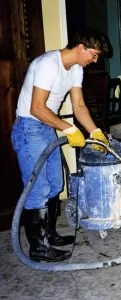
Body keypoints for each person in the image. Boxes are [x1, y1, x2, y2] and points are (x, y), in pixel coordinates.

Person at [11, 28, 111, 262]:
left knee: (55, 183)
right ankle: (39, 247)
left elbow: (79, 107)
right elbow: (37, 108)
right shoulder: (48, 64)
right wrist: (69, 128)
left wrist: (95, 132)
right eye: (94, 54)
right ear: (80, 47)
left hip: (46, 127)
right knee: (38, 189)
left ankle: (50, 235)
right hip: (29, 128)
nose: (94, 60)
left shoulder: (75, 69)